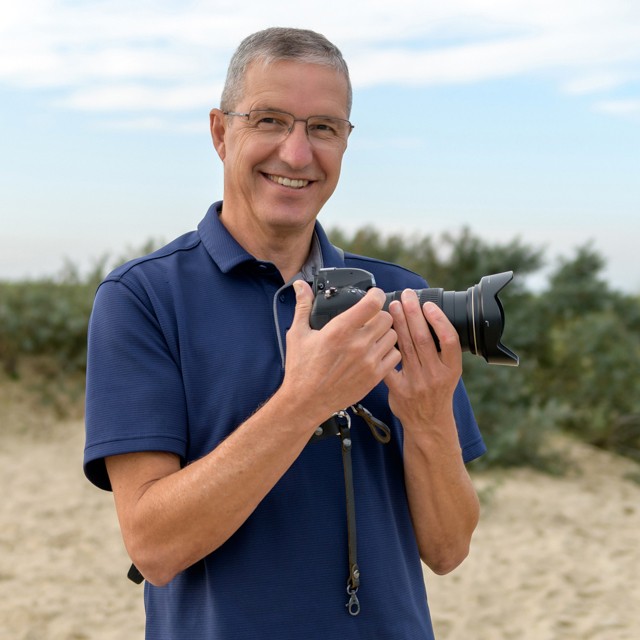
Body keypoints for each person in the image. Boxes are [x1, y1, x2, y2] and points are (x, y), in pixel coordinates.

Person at [84, 26, 485, 640]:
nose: (297, 154)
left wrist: (429, 418)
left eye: (323, 127)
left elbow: (449, 548)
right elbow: (153, 547)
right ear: (221, 133)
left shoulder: (399, 294)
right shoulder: (143, 298)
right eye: (270, 120)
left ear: (346, 143)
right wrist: (306, 401)